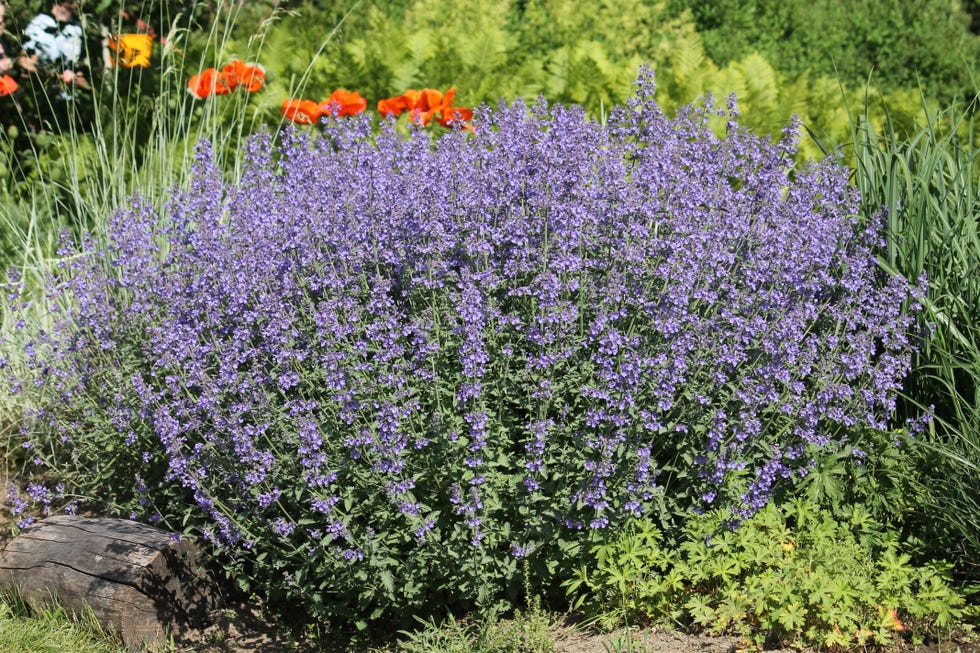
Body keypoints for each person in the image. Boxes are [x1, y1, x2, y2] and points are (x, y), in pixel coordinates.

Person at [19, 1, 89, 98]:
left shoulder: (76, 28)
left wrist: (79, 79)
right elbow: (25, 63)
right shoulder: (40, 23)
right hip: (44, 96)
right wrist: (54, 77)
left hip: (72, 98)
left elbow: (78, 63)